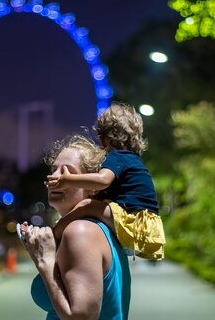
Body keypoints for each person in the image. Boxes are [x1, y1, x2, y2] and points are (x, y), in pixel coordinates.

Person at [19, 133, 145, 320]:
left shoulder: (81, 232)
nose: (56, 178)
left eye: (68, 172)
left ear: (93, 185)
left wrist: (45, 263)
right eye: (53, 170)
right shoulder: (89, 229)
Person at [45, 102, 165, 261]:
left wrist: (69, 180)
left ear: (104, 137)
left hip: (134, 220)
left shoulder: (118, 157)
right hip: (146, 224)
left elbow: (102, 181)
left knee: (85, 206)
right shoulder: (133, 159)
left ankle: (52, 236)